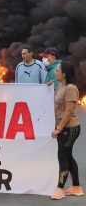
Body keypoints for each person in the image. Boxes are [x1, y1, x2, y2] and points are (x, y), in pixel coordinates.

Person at [50, 61, 83, 200]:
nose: (55, 73)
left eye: (57, 71)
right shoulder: (61, 86)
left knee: (62, 156)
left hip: (69, 128)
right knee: (68, 156)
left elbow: (69, 111)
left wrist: (59, 128)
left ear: (64, 74)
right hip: (64, 128)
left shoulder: (71, 88)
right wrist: (48, 87)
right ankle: (76, 187)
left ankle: (59, 189)